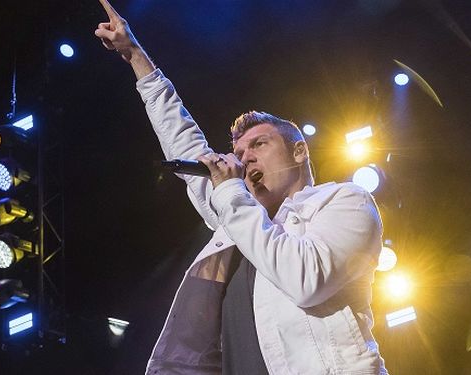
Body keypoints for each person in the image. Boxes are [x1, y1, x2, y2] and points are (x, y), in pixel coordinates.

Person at [95, 1, 388, 374]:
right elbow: (184, 141)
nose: (244, 158)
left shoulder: (344, 201)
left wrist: (232, 194)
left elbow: (306, 280)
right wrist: (136, 55)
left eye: (259, 145)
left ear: (299, 152)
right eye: (238, 151)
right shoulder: (236, 222)